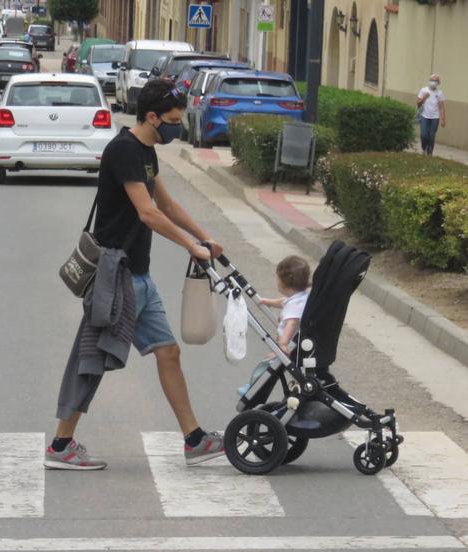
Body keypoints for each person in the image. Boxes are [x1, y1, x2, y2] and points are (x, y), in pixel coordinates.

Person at [47, 78, 226, 470]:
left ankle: (194, 440)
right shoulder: (124, 150)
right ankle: (61, 446)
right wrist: (189, 246)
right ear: (151, 116)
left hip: (140, 278)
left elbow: (167, 203)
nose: (178, 127)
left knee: (169, 351)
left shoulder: (147, 151)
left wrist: (204, 236)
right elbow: (147, 213)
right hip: (117, 275)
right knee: (92, 360)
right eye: (173, 120)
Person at [238, 256, 311, 397]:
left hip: (289, 347)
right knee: (270, 366)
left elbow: (292, 322)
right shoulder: (299, 297)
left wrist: (282, 345)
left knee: (264, 367)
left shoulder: (294, 306)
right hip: (295, 344)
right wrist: (269, 302)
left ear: (284, 284)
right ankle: (254, 386)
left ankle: (252, 388)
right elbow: (283, 302)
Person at [416, 74, 446, 156]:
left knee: (431, 136)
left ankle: (429, 152)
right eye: (432, 80)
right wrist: (424, 97)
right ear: (429, 81)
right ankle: (423, 148)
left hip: (435, 118)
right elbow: (418, 104)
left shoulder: (439, 93)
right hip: (424, 116)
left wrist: (443, 119)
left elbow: (441, 107)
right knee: (424, 135)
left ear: (438, 83)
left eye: (435, 80)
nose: (433, 82)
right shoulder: (423, 90)